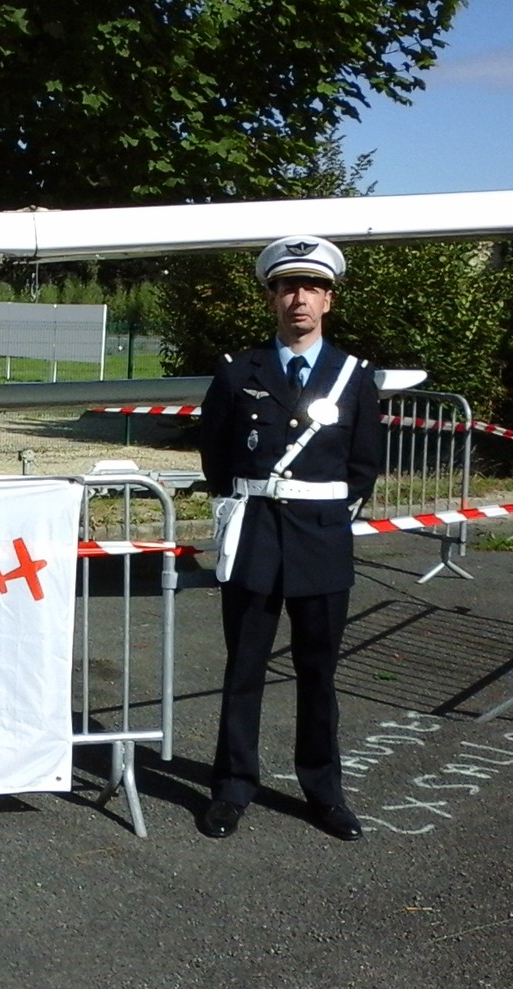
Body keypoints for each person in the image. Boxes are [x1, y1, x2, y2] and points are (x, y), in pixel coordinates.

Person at [196, 234, 381, 841]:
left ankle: (324, 791)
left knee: (318, 673)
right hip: (255, 536)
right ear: (272, 297)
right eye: (287, 287)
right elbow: (216, 454)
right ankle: (232, 787)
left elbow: (363, 465)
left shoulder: (353, 376)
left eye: (311, 287)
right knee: (244, 667)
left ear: (328, 299)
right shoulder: (237, 371)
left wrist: (321, 510)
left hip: (321, 539)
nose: (298, 299)